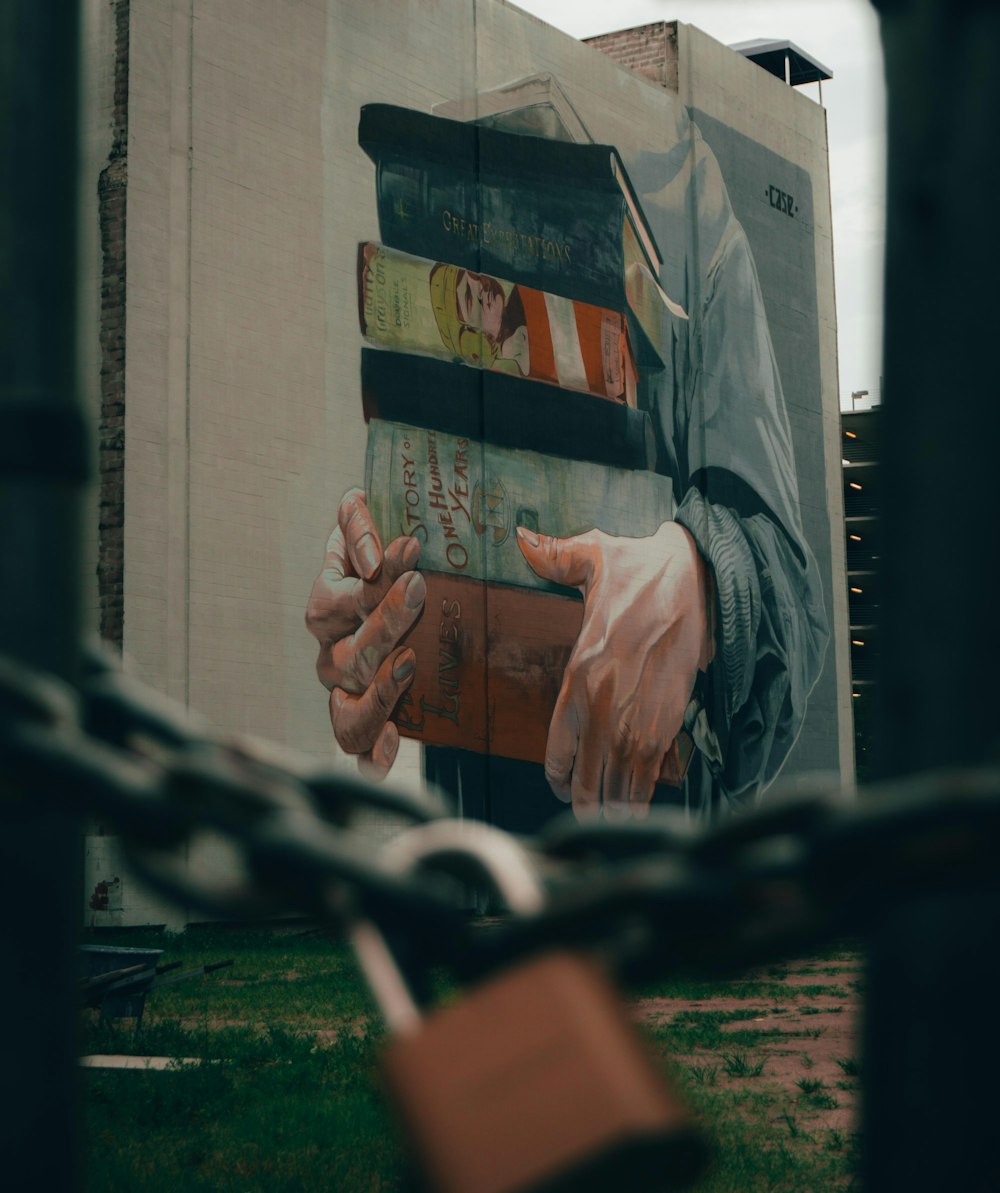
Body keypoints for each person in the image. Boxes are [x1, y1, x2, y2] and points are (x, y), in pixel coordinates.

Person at [306, 104, 829, 825]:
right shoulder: (445, 164)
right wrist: (372, 560)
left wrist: (699, 573)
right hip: (475, 867)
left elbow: (797, 615)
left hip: (664, 868)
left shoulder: (684, 206)